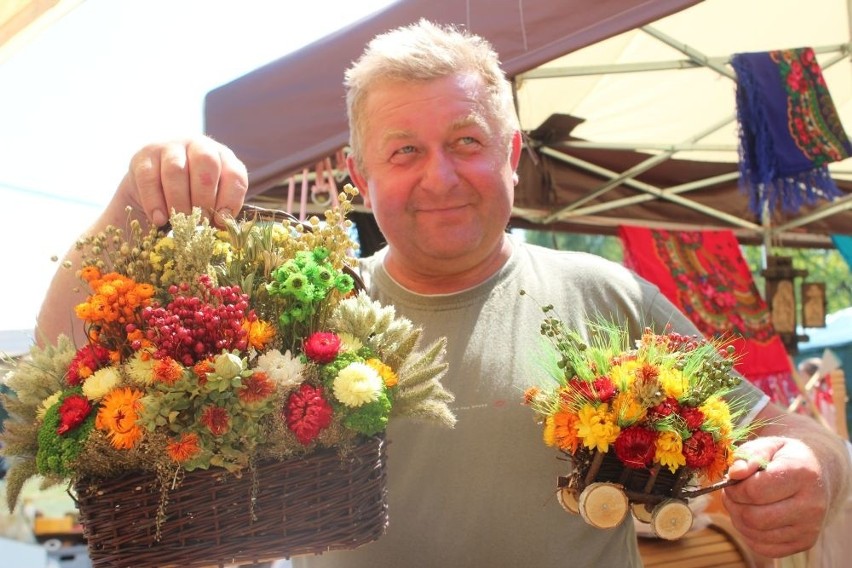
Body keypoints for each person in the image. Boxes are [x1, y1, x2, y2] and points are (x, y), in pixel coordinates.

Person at [36, 20, 850, 567]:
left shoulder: (609, 297)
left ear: (511, 154)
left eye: (466, 141)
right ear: (359, 176)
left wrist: (810, 466)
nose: (441, 176)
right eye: (404, 151)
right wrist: (134, 204)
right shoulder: (294, 314)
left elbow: (788, 430)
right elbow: (59, 361)